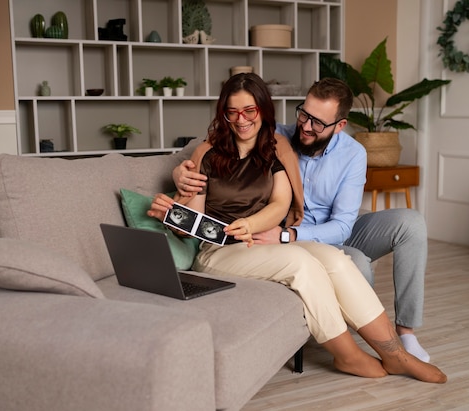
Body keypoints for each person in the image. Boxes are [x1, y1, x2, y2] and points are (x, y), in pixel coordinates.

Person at [149, 72, 446, 383]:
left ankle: (395, 352)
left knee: (335, 260)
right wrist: (173, 207)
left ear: (262, 111)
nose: (241, 119)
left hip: (272, 239)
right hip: (220, 250)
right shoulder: (208, 152)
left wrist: (255, 225)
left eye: (250, 110)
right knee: (302, 263)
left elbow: (281, 204)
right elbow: (189, 221)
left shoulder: (274, 147)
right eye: (232, 111)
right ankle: (347, 355)